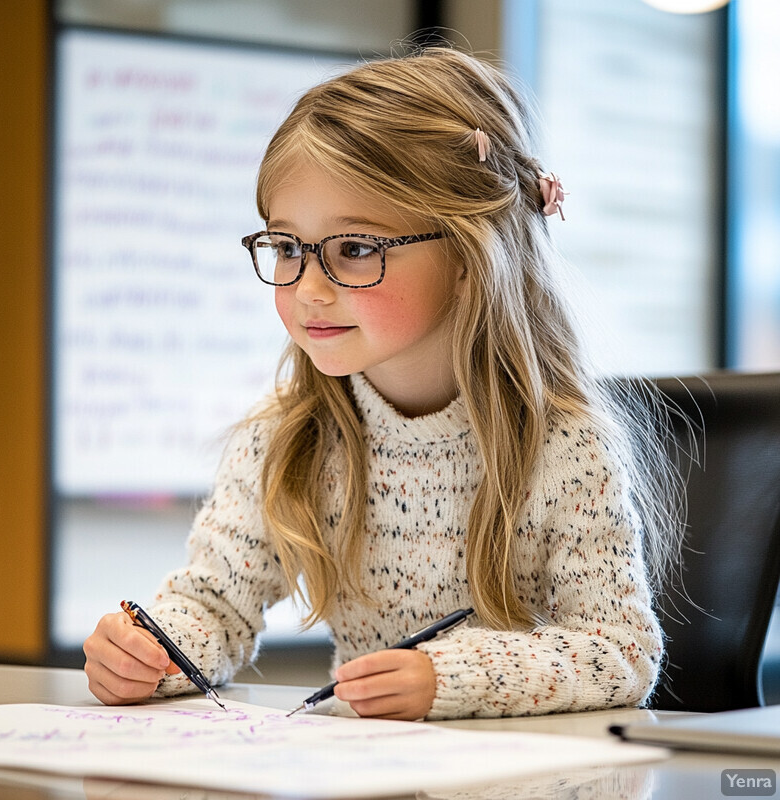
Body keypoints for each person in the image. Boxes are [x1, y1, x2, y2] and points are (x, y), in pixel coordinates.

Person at [83, 46, 683, 721]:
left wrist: (446, 677)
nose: (308, 288)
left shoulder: (566, 447)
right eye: (286, 249)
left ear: (469, 255)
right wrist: (151, 653)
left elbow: (619, 650)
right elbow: (213, 605)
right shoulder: (287, 436)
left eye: (356, 249)